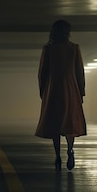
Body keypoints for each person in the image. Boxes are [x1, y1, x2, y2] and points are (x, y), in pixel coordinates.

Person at [35, 19, 87, 170]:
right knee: (70, 122)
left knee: (55, 124)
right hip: (71, 90)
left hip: (53, 90)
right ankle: (70, 149)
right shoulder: (74, 48)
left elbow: (42, 73)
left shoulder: (48, 49)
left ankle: (57, 155)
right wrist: (81, 91)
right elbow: (79, 72)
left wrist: (43, 92)